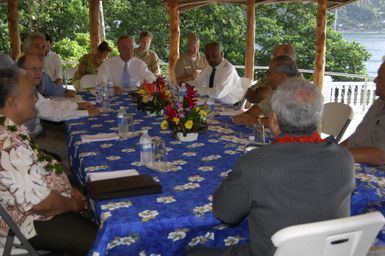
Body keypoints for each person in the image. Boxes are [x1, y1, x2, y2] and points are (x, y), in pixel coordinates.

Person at [187, 77, 355, 256]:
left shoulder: (257, 163)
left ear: (273, 121)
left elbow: (224, 213)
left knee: (191, 252)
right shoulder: (344, 159)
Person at [0, 67, 97, 255]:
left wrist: (69, 191)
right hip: (29, 223)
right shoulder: (8, 145)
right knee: (107, 241)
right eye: (30, 95)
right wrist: (72, 204)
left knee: (98, 197)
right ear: (12, 102)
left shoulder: (10, 130)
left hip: (41, 208)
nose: (36, 99)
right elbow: (42, 205)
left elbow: (39, 175)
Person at [233, 55, 299, 126]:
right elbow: (260, 107)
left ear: (281, 77)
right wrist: (244, 117)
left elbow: (285, 122)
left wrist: (257, 121)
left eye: (269, 73)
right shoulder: (279, 90)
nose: (268, 77)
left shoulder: (301, 92)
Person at [342, 61, 385, 169]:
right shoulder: (379, 103)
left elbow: (380, 156)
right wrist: (333, 149)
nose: (375, 80)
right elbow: (357, 136)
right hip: (353, 163)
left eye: (380, 77)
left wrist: (336, 155)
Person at [24, 31, 75, 97]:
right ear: (28, 49)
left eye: (43, 47)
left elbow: (53, 89)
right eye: (37, 47)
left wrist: (66, 91)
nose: (41, 51)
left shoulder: (43, 76)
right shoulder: (19, 73)